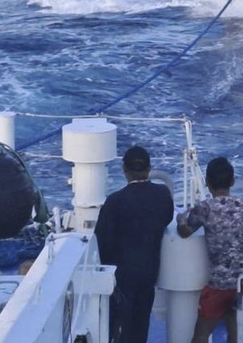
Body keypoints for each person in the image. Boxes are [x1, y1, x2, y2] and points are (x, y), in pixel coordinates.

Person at [94, 145, 175, 343]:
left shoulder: (114, 202)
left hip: (121, 275)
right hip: (149, 271)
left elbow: (101, 241)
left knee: (118, 325)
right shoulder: (162, 194)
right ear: (149, 169)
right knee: (140, 323)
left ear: (125, 170)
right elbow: (166, 218)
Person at [176, 157, 243, 343]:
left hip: (220, 283)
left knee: (201, 333)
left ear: (207, 182)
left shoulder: (206, 208)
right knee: (233, 325)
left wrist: (181, 219)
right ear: (232, 181)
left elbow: (184, 231)